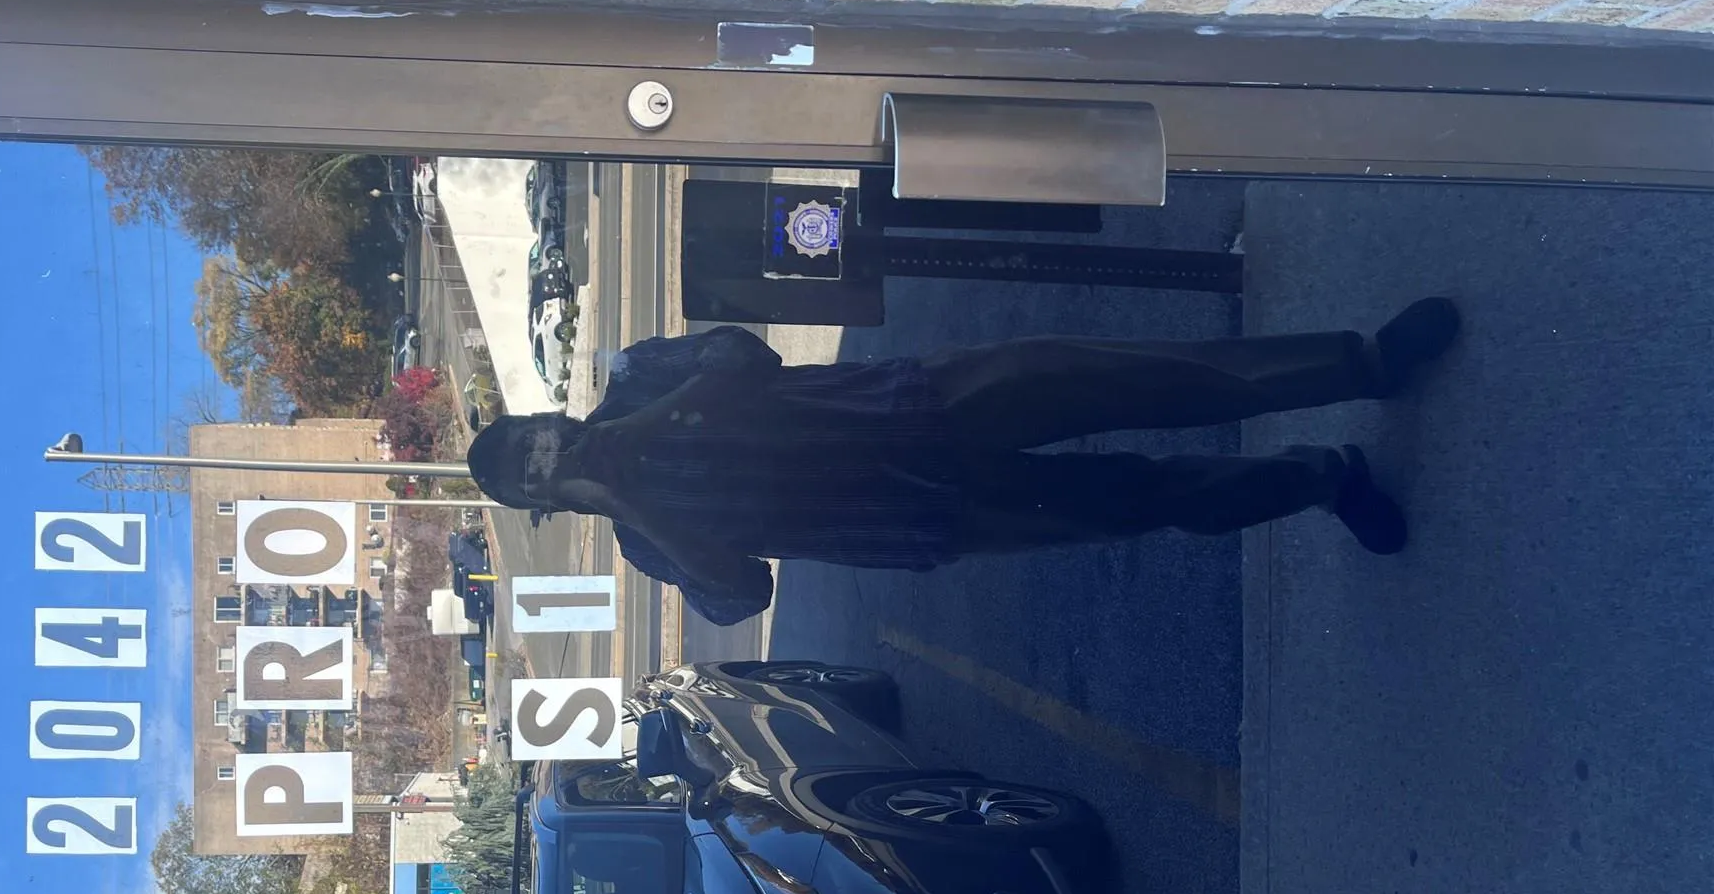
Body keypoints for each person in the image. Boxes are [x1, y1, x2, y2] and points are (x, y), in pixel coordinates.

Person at [465, 300, 1460, 626]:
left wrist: (650, 425)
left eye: (536, 439)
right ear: (548, 500)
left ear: (548, 417)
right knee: (1144, 500)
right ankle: (1325, 477)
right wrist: (638, 494)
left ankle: (1360, 362)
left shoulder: (637, 380)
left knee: (1153, 379)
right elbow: (737, 597)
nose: (547, 456)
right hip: (926, 514)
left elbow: (741, 354)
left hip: (919, 401)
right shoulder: (644, 544)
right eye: (536, 474)